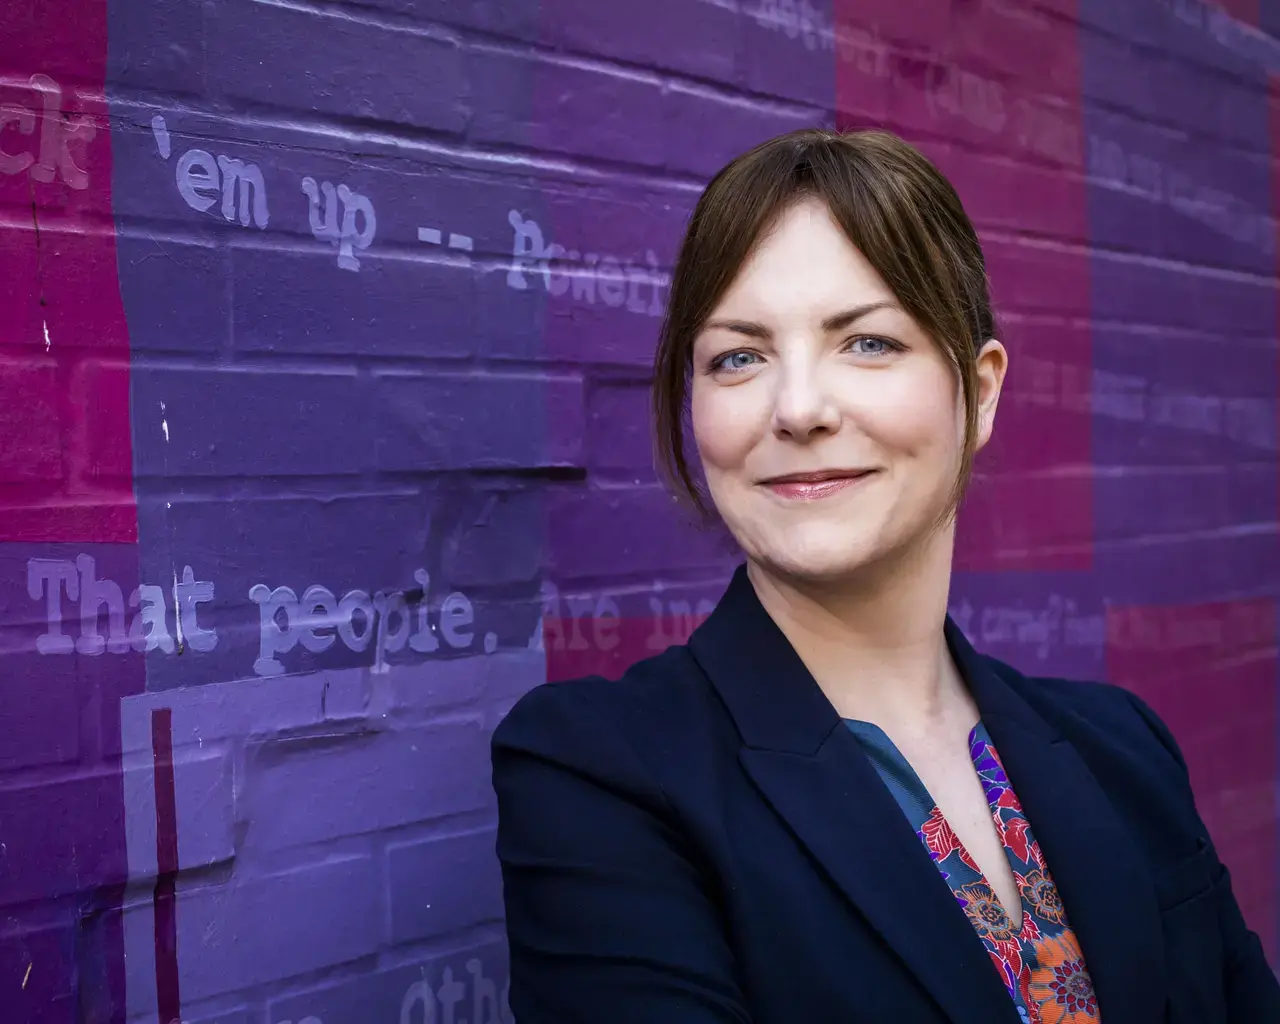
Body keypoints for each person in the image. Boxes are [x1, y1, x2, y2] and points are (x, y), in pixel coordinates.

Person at [490, 128, 1280, 1024]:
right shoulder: (603, 776)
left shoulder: (1123, 749)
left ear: (979, 392)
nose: (797, 409)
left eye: (865, 342)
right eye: (738, 357)